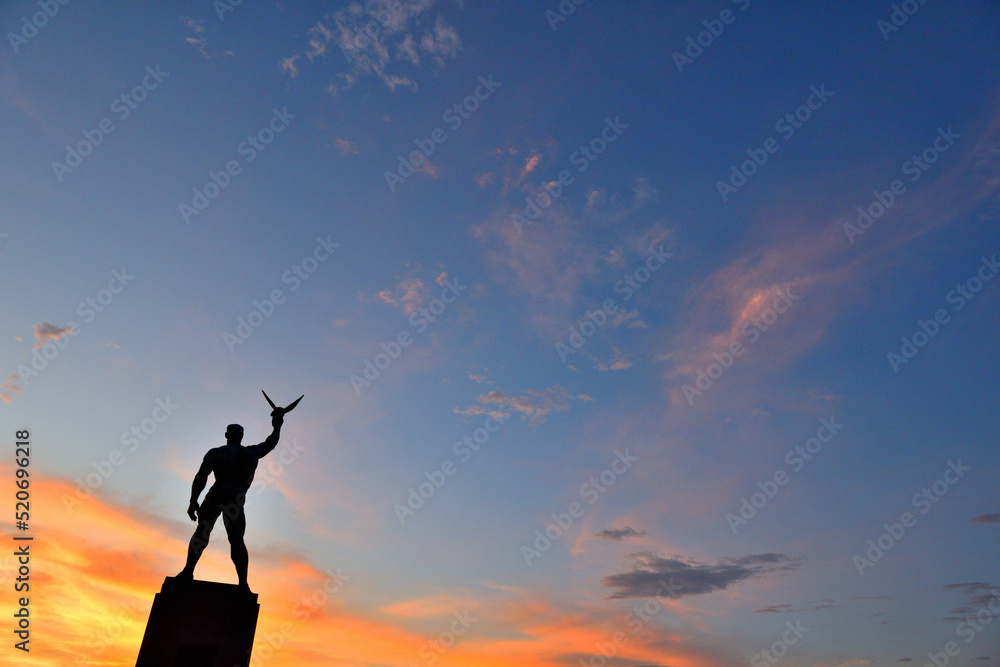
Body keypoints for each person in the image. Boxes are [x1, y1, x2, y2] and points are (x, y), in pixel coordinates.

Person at [176, 406, 286, 592]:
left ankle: (188, 571)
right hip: (235, 499)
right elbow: (270, 443)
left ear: (226, 434)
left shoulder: (216, 452)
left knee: (202, 533)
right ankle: (242, 583)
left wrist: (193, 500)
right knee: (236, 540)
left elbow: (201, 477)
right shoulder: (251, 453)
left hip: (216, 494)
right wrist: (277, 425)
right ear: (242, 436)